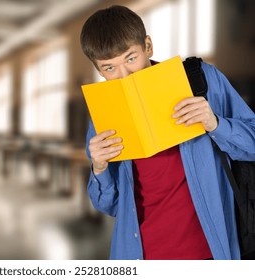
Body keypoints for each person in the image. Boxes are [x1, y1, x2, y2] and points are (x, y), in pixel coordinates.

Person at [80, 5, 255, 260]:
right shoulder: (103, 112)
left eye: (131, 58)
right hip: (140, 257)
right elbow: (111, 206)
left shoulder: (200, 80)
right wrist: (99, 168)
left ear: (147, 46)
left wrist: (215, 123)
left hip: (210, 253)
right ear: (98, 69)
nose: (124, 76)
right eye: (109, 68)